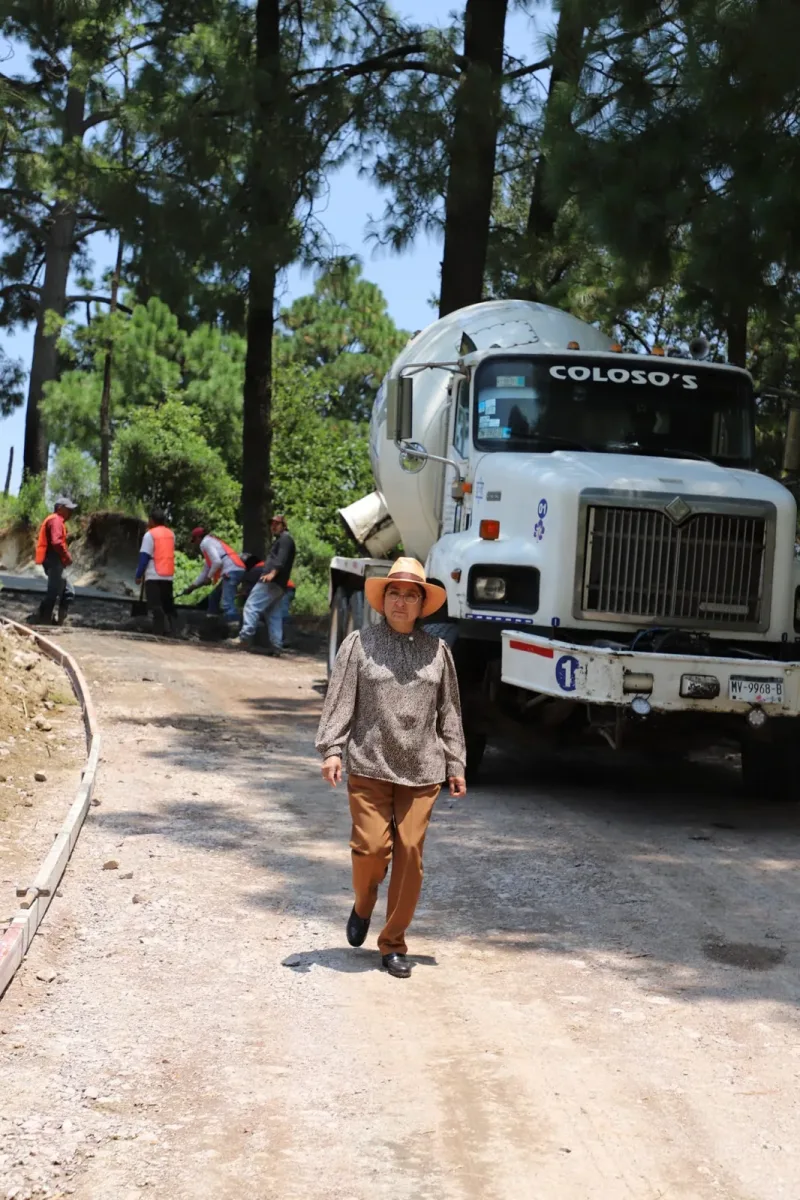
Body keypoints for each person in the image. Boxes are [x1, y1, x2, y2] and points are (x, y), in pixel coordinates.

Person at [315, 557, 467, 979]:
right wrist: (332, 749)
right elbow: (340, 700)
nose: (402, 602)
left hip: (422, 769)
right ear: (384, 601)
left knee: (411, 854)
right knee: (371, 850)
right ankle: (363, 904)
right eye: (395, 594)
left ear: (422, 604)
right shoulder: (359, 644)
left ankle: (393, 942)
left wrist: (456, 761)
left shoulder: (438, 652)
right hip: (370, 764)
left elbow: (449, 711)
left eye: (411, 595)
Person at [237, 515, 296, 652]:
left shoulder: (285, 539)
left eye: (277, 524)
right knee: (273, 613)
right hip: (280, 584)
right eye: (272, 524)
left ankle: (245, 637)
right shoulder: (282, 540)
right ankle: (276, 645)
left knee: (251, 606)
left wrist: (272, 574)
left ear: (284, 525)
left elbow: (280, 559)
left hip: (271, 581)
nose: (273, 526)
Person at [183, 527, 245, 621]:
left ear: (199, 537)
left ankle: (234, 627)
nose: (195, 543)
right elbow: (206, 570)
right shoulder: (211, 542)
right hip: (235, 568)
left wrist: (209, 577)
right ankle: (212, 621)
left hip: (232, 570)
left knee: (227, 604)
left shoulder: (205, 543)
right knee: (213, 598)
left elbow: (217, 562)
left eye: (195, 540)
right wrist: (192, 587)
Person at [34, 497, 77, 625]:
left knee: (67, 591)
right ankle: (45, 619)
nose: (70, 512)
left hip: (52, 560)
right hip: (54, 560)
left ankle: (56, 620)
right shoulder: (56, 520)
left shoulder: (55, 520)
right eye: (68, 509)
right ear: (60, 508)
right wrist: (66, 556)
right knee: (56, 592)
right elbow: (57, 542)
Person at [135, 509, 176, 636]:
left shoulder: (150, 535)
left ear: (152, 520)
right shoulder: (171, 534)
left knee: (155, 605)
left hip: (153, 573)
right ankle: (170, 631)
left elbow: (144, 557)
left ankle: (158, 632)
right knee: (165, 605)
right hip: (168, 574)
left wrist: (139, 574)